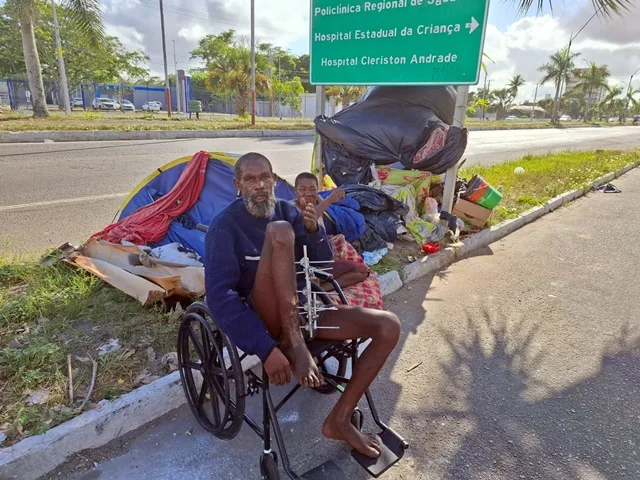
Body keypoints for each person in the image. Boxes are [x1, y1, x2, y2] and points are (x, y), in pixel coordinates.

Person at [205, 153, 401, 459]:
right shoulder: (225, 226)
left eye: (265, 177)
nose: (259, 185)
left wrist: (313, 231)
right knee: (280, 231)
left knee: (388, 325)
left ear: (273, 179)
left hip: (301, 309)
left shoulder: (287, 210)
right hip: (264, 318)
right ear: (238, 185)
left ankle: (339, 419)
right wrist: (265, 349)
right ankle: (294, 343)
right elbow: (219, 297)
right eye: (250, 179)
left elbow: (321, 263)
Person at [292, 172, 370, 292]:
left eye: (312, 189)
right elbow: (307, 220)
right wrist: (329, 200)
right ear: (295, 191)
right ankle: (315, 288)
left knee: (362, 271)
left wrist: (334, 196)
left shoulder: (317, 202)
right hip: (301, 267)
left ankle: (320, 290)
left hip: (321, 263)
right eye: (302, 189)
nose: (308, 193)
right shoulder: (290, 208)